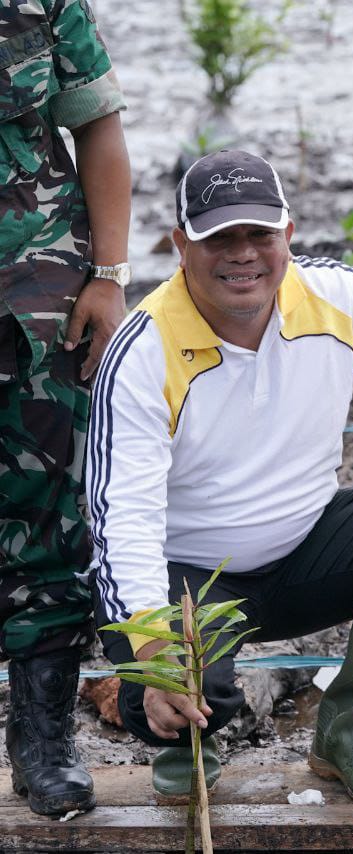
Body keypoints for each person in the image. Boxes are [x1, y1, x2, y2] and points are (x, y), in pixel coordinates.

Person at [87, 150, 353, 805]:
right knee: (180, 688)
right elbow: (119, 517)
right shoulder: (145, 347)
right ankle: (188, 743)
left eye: (259, 235)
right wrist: (156, 659)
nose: (243, 254)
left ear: (287, 236)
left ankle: (346, 729)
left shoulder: (332, 295)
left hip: (305, 548)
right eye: (219, 238)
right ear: (181, 245)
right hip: (189, 570)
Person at [2, 0, 131, 817]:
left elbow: (99, 126)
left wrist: (111, 273)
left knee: (47, 520)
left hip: (38, 295)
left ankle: (44, 736)